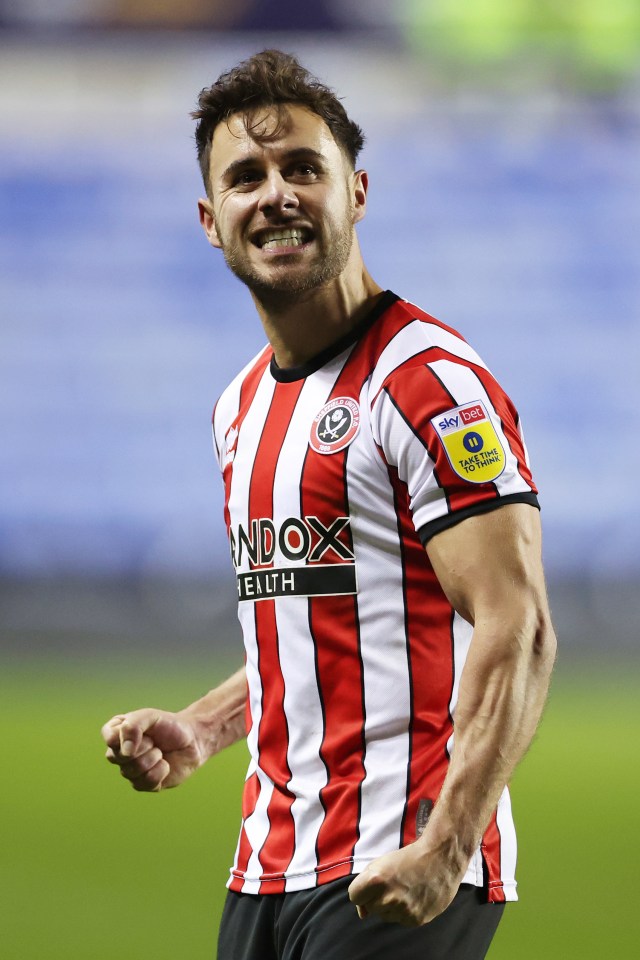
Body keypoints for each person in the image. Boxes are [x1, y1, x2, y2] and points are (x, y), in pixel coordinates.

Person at [101, 49, 557, 960]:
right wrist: (203, 724)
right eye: (245, 177)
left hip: (402, 860)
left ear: (356, 193)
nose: (275, 194)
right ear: (210, 219)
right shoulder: (240, 407)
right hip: (267, 866)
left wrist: (448, 846)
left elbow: (519, 623)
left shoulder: (427, 383)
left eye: (304, 168)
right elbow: (317, 621)